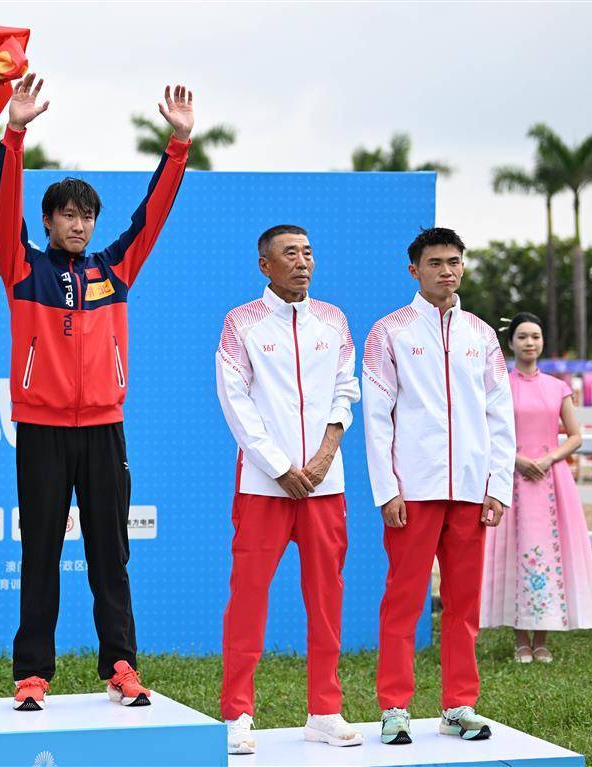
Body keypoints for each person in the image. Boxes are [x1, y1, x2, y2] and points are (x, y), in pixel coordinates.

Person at [0, 74, 190, 711]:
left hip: (104, 429)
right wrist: (13, 134)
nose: (78, 224)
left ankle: (121, 667)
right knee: (41, 556)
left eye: (86, 216)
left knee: (110, 555)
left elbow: (152, 214)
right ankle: (32, 676)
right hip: (42, 431)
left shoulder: (114, 269)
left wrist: (178, 145)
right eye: (68, 215)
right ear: (48, 221)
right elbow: (2, 206)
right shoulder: (22, 267)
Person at [362, 227, 515, 746]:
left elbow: (500, 415)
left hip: (471, 489)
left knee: (463, 605)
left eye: (454, 261)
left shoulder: (482, 335)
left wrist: (497, 485)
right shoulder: (389, 332)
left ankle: (458, 705)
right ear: (414, 270)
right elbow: (377, 418)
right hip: (414, 490)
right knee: (403, 602)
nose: (447, 271)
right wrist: (387, 488)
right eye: (435, 263)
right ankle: (394, 707)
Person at [215, 225, 363, 755]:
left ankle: (324, 710)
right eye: (290, 254)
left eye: (308, 253)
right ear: (265, 265)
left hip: (325, 485)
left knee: (326, 599)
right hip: (264, 486)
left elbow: (346, 389)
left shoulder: (334, 319)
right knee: (248, 599)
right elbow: (235, 401)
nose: (302, 262)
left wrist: (324, 456)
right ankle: (237, 714)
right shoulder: (241, 322)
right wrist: (279, 467)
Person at [480, 312, 592, 660]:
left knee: (549, 552)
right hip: (512, 479)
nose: (529, 342)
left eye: (535, 336)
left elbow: (575, 436)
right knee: (515, 553)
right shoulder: (499, 386)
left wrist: (549, 459)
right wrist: (517, 460)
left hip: (551, 481)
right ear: (511, 343)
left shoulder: (557, 387)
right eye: (522, 336)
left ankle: (543, 639)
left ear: (543, 341)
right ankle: (521, 639)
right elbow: (487, 433)